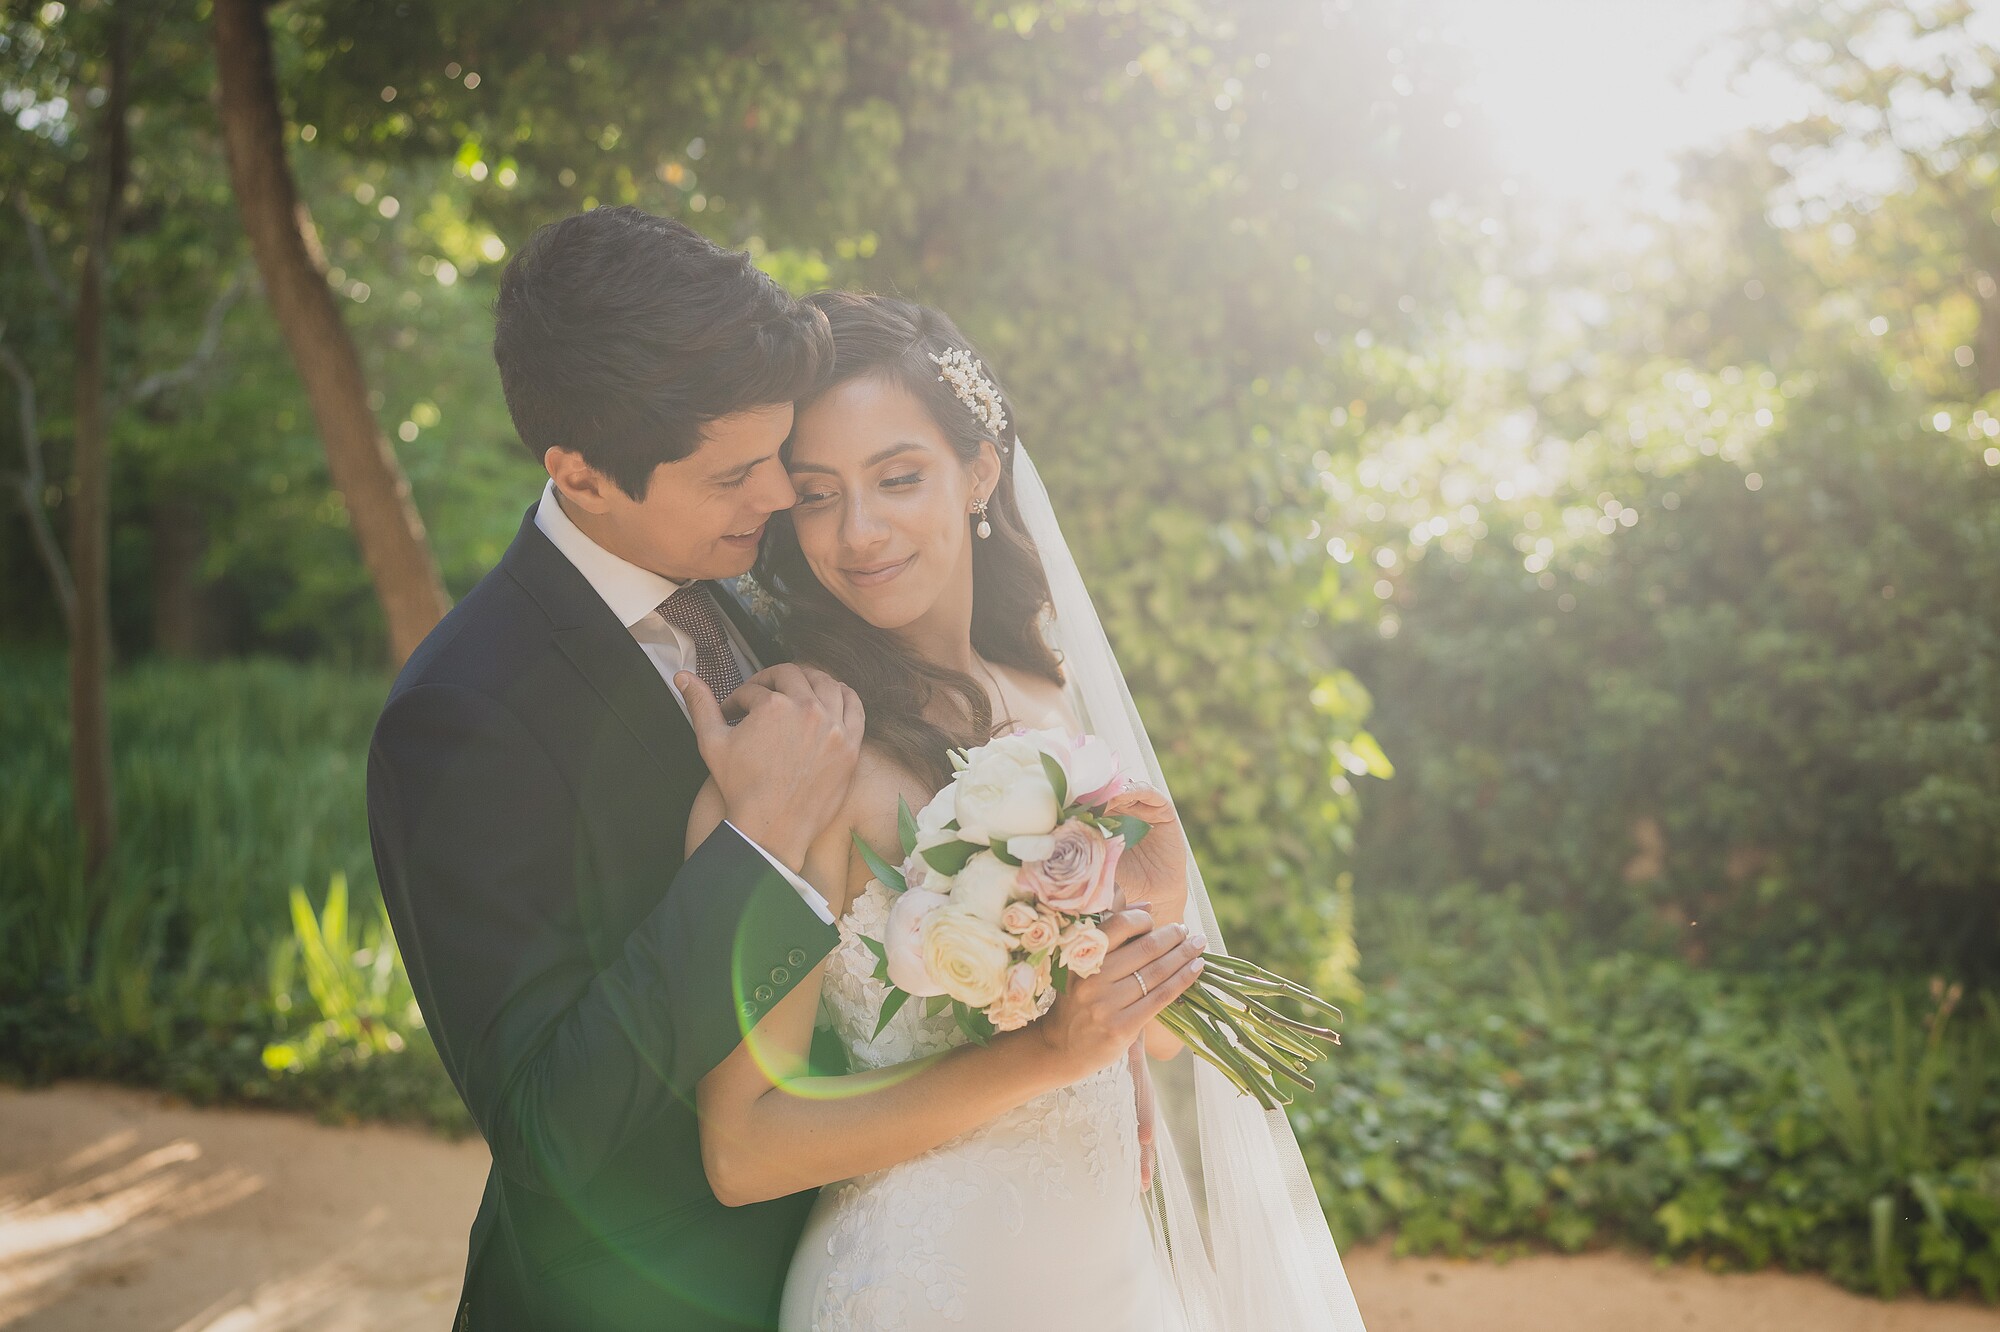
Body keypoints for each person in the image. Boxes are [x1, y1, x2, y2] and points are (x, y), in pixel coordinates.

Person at [368, 207, 1197, 1332]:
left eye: (779, 469)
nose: (778, 507)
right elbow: (550, 1132)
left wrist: (1079, 1036)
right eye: (741, 477)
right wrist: (752, 848)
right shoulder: (465, 713)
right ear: (581, 474)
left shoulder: (774, 601)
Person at [693, 292, 1370, 1330]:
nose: (857, 531)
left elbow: (1140, 1047)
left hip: (1102, 1272)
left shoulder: (1050, 694)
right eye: (818, 495)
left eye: (898, 477)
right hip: (920, 1288)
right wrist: (1046, 1056)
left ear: (978, 470)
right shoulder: (805, 756)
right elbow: (743, 1151)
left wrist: (1151, 913)